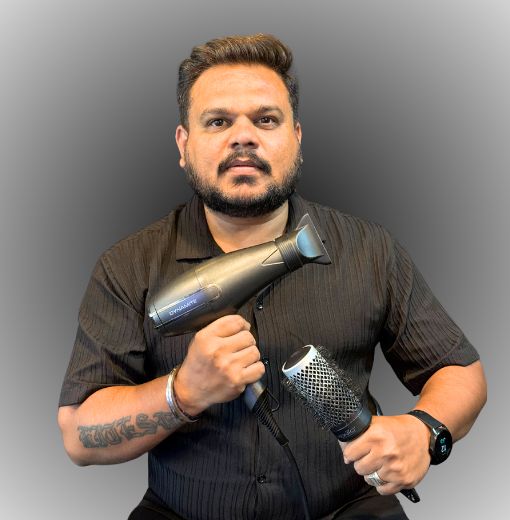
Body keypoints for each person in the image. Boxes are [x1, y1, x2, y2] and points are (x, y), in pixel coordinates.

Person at [57, 34, 487, 520]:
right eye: (218, 121)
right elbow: (78, 435)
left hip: (349, 508)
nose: (243, 137)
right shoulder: (127, 265)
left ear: (296, 137)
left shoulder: (369, 249)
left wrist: (424, 430)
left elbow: (461, 372)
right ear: (183, 144)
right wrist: (182, 393)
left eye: (265, 120)